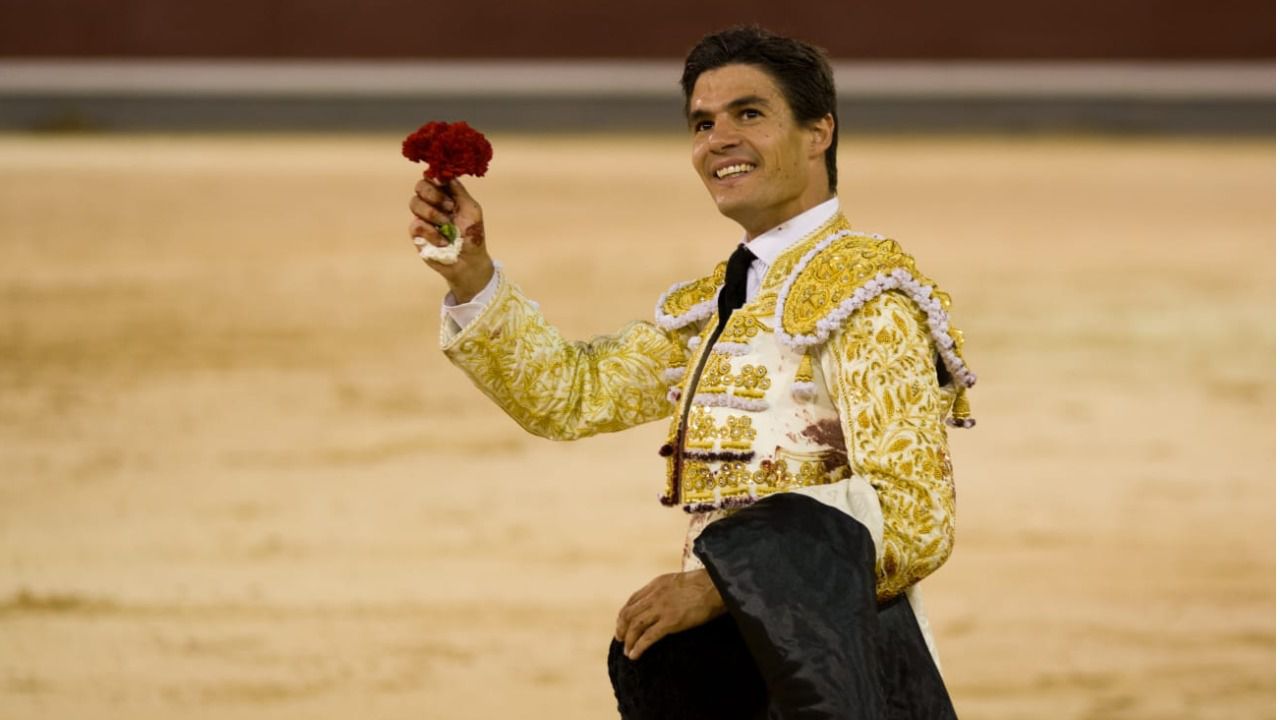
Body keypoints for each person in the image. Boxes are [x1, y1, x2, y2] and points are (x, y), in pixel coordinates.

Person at [408, 25, 975, 719]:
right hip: (732, 666)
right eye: (703, 123)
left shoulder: (867, 300)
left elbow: (915, 518)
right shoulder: (719, 303)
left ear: (818, 131)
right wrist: (473, 277)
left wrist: (721, 588)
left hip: (841, 671)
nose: (718, 139)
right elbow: (570, 395)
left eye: (750, 114)